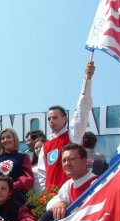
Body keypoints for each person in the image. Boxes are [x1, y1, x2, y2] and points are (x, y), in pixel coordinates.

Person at [38, 61, 95, 189]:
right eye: (49, 119)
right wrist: (45, 195)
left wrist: (88, 79)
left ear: (64, 119)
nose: (51, 121)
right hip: (52, 199)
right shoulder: (45, 146)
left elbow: (83, 108)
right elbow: (43, 175)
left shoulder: (73, 134)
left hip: (74, 196)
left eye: (55, 117)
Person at [0, 128, 34, 203]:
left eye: (8, 137)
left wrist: (10, 187)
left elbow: (28, 178)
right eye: (3, 138)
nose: (5, 140)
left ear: (14, 139)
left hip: (17, 199)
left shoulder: (23, 157)